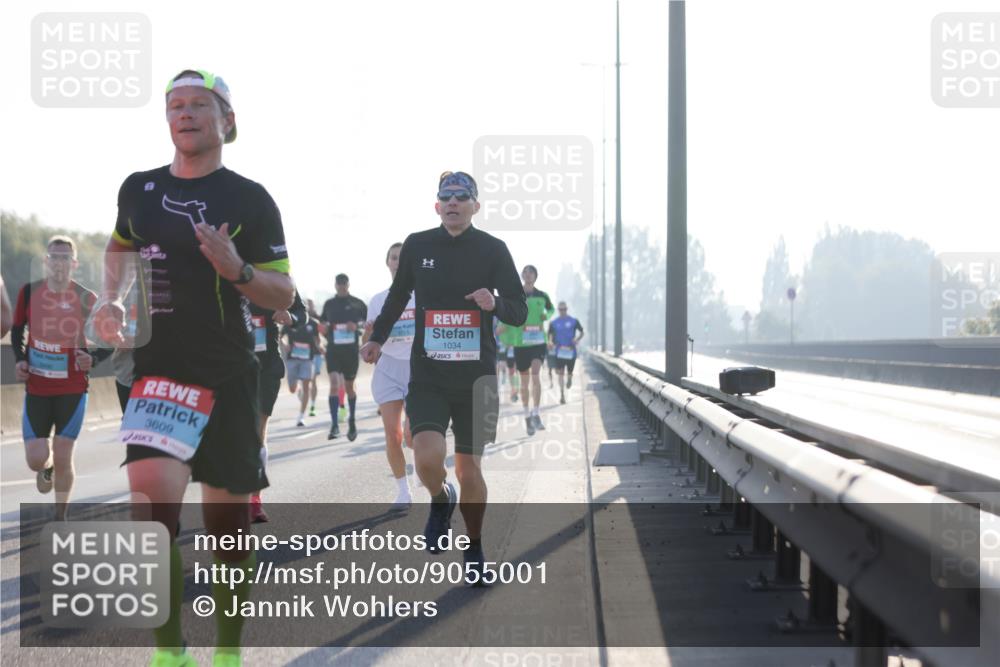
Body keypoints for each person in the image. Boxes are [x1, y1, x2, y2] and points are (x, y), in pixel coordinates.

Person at [93, 69, 293, 667]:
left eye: (199, 105)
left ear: (226, 120)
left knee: (226, 533)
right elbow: (119, 244)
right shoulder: (139, 189)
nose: (185, 113)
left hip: (230, 374)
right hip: (157, 375)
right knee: (150, 512)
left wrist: (238, 269)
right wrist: (109, 298)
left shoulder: (251, 199)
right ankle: (170, 652)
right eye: (175, 105)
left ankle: (227, 654)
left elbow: (282, 293)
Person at [361, 171, 526, 585]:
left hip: (477, 380)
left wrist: (495, 302)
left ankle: (474, 547)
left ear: (475, 205)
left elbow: (519, 311)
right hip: (429, 375)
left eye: (462, 196)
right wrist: (377, 339)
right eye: (446, 197)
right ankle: (439, 498)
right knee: (427, 459)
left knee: (470, 470)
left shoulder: (493, 249)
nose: (453, 202)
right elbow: (399, 298)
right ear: (437, 206)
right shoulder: (418, 245)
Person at [10, 236, 110, 520]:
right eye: (54, 257)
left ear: (74, 264)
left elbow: (112, 334)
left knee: (65, 453)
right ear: (46, 261)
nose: (59, 263)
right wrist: (20, 360)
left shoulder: (85, 297)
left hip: (73, 387)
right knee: (35, 459)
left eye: (65, 258)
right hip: (38, 387)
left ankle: (60, 516)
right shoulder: (29, 293)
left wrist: (95, 358)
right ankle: (46, 466)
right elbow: (17, 330)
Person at [363, 242, 416, 510]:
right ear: (388, 263)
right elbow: (367, 345)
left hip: (417, 370)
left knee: (411, 436)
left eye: (402, 257)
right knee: (393, 434)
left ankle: (424, 470)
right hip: (387, 369)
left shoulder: (423, 296)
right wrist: (369, 334)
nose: (397, 261)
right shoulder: (377, 300)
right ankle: (403, 491)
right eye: (394, 257)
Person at [250, 291, 306, 523]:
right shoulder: (218, 266)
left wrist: (289, 316)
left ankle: (254, 500)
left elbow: (301, 313)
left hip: (265, 366)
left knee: (256, 432)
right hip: (228, 365)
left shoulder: (273, 272)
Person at [320, 275, 367, 441]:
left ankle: (352, 421)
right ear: (335, 285)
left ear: (348, 285)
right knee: (333, 384)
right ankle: (334, 425)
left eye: (344, 285)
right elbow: (322, 324)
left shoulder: (357, 303)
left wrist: (357, 326)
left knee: (349, 388)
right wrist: (323, 328)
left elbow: (368, 322)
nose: (341, 288)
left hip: (350, 351)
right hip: (333, 349)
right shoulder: (329, 304)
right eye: (339, 285)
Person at [510, 265, 554, 435]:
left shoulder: (542, 296)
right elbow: (507, 311)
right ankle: (527, 415)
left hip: (538, 342)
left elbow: (551, 309)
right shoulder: (515, 295)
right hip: (520, 343)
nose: (528, 275)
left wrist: (547, 316)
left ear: (536, 276)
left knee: (536, 374)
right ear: (522, 276)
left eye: (531, 273)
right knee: (524, 382)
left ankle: (536, 413)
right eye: (526, 272)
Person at [280, 295, 322, 427]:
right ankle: (298, 391)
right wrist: (285, 345)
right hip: (292, 359)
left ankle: (301, 416)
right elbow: (280, 336)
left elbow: (317, 340)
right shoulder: (290, 320)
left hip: (307, 360)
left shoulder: (313, 324)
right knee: (292, 388)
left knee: (306, 386)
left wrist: (319, 347)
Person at [547, 301, 584, 404]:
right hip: (559, 351)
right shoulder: (553, 323)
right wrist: (550, 342)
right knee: (560, 374)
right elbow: (549, 335)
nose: (562, 311)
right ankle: (562, 395)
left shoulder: (573, 321)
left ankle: (570, 378)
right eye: (560, 309)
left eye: (564, 309)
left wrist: (577, 339)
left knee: (570, 372)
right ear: (558, 310)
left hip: (571, 351)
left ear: (567, 309)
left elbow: (582, 332)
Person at [305, 298, 324, 416]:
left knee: (313, 380)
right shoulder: (298, 319)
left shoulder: (316, 320)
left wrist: (321, 347)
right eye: (307, 305)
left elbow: (321, 336)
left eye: (311, 305)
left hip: (316, 354)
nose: (309, 307)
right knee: (307, 381)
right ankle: (303, 394)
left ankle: (312, 404)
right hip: (303, 356)